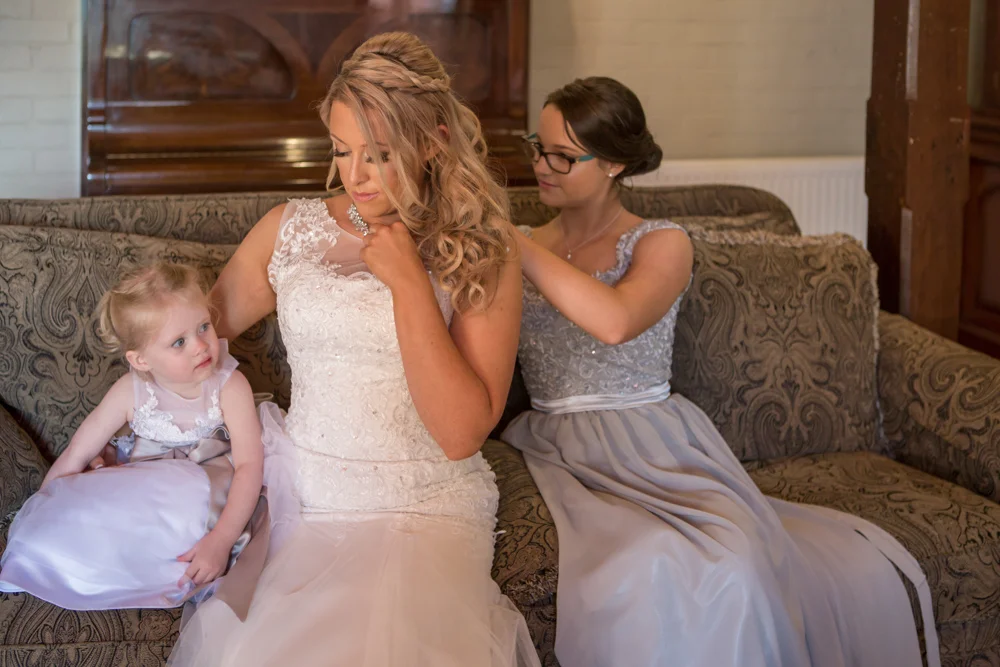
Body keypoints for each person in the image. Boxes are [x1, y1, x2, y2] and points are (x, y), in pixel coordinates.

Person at [502, 76, 938, 667]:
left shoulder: (661, 243)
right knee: (643, 560)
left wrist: (513, 242)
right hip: (556, 445)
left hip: (655, 443)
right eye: (538, 146)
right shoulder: (521, 243)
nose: (540, 166)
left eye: (561, 155)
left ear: (613, 164)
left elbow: (616, 322)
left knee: (734, 563)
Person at [167, 32, 540, 667]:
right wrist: (134, 434)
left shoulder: (482, 247)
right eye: (342, 151)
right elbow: (186, 347)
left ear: (433, 142)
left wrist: (410, 283)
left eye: (380, 154)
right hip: (304, 501)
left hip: (425, 509)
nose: (356, 175)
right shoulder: (289, 229)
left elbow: (459, 434)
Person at [0, 261, 265, 617]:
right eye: (179, 342)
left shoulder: (229, 385)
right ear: (140, 360)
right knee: (89, 506)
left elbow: (250, 466)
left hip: (209, 493)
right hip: (147, 492)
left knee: (182, 506)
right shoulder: (130, 391)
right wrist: (44, 506)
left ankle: (190, 559)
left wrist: (221, 540)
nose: (201, 346)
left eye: (204, 326)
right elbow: (78, 453)